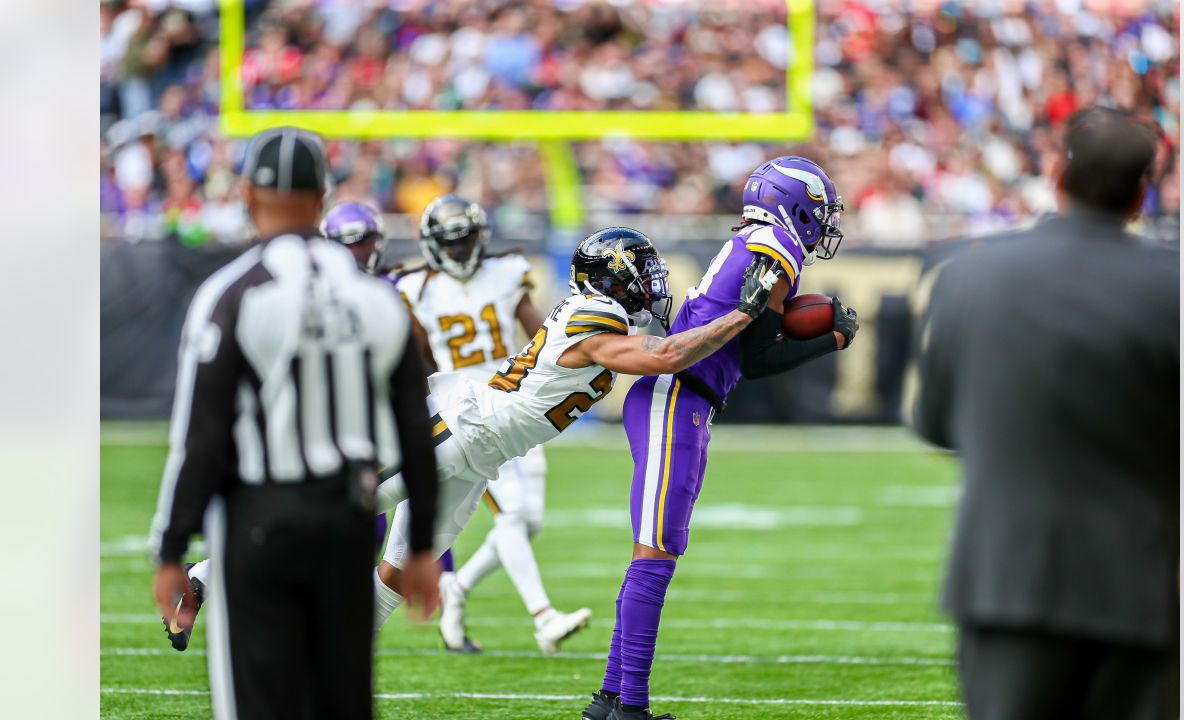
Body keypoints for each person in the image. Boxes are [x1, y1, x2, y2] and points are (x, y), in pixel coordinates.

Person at [372, 227, 786, 653]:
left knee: (397, 575)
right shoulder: (596, 310)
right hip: (459, 425)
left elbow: (673, 352)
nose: (652, 280)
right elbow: (667, 356)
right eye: (643, 270)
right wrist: (742, 314)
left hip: (482, 455)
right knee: (346, 504)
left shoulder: (605, 315)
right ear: (613, 276)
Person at [147, 127, 442, 719]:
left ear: (249, 195)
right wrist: (424, 546)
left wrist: (172, 548)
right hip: (348, 520)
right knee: (342, 701)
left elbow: (199, 437)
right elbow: (417, 428)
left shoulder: (232, 293)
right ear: (322, 194)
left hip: (259, 522)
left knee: (257, 703)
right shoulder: (378, 298)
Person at [911, 107, 1178, 720]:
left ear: (1056, 174)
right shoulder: (1177, 288)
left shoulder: (969, 276)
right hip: (1139, 585)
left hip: (1005, 581)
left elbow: (935, 423)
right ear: (1141, 191)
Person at [581, 157, 860, 720]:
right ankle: (629, 705)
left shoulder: (759, 240)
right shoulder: (775, 246)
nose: (825, 224)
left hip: (684, 397)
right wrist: (829, 339)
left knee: (654, 553)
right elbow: (757, 359)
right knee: (655, 555)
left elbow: (748, 352)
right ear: (796, 204)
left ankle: (611, 700)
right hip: (676, 395)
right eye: (822, 211)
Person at [161, 198, 418, 652]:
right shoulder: (331, 293)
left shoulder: (383, 290)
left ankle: (208, 577)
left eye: (364, 245)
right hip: (333, 436)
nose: (359, 256)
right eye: (349, 246)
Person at [378, 194, 592, 654]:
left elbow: (542, 333)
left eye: (466, 240)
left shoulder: (507, 272)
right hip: (463, 411)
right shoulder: (414, 288)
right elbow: (416, 358)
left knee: (527, 520)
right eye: (450, 243)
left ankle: (460, 586)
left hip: (514, 401)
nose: (459, 250)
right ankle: (544, 616)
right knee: (512, 514)